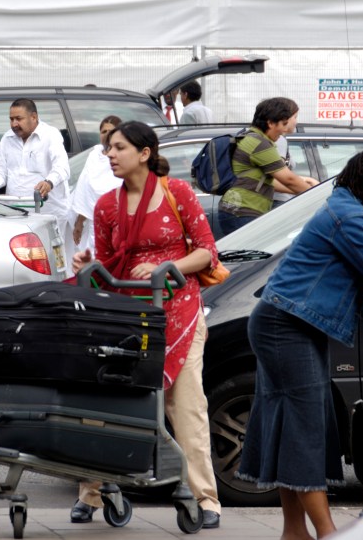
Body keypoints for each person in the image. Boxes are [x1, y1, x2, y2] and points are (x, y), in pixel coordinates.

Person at [237, 150, 363, 538]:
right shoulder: (350, 217)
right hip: (285, 325)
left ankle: (294, 531)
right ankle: (327, 532)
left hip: (287, 323)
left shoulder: (347, 209)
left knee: (294, 427)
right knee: (306, 429)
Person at [71, 121, 222, 529]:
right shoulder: (106, 205)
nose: (110, 155)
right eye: (108, 149)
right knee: (105, 402)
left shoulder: (178, 194)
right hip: (128, 315)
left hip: (180, 315)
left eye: (118, 147)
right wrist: (92, 267)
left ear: (145, 152)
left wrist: (165, 265)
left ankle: (205, 500)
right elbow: (108, 264)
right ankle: (92, 492)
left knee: (185, 407)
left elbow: (207, 253)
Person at [217, 97, 314, 234]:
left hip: (236, 210)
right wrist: (318, 196)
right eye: (284, 123)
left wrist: (305, 187)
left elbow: (271, 181)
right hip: (243, 211)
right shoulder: (260, 144)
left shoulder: (251, 137)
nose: (284, 130)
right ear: (270, 123)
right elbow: (288, 179)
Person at [0, 98, 71, 230]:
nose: (14, 124)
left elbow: (62, 167)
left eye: (18, 119)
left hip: (48, 213)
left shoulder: (50, 135)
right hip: (17, 214)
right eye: (11, 119)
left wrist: (49, 183)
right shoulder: (7, 138)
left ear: (34, 117)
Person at [70, 115, 122, 252]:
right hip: (93, 222)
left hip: (118, 221)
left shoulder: (123, 158)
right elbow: (84, 189)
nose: (107, 135)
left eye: (111, 131)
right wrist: (80, 221)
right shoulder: (94, 155)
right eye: (104, 132)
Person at [271, 112, 319, 209]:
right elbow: (278, 176)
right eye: (295, 117)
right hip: (278, 199)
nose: (296, 121)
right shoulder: (278, 140)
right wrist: (311, 188)